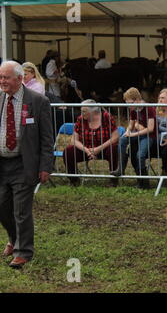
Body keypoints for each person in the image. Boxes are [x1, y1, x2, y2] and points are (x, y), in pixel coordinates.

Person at [0, 61, 53, 269]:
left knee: (21, 210)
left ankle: (24, 252)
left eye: (6, 77)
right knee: (2, 207)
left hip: (25, 163)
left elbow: (47, 137)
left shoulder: (38, 101)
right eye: (1, 77)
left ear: (20, 79)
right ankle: (14, 240)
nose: (2, 81)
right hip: (2, 163)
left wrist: (45, 166)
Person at [63, 99, 119, 187]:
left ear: (93, 112)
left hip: (104, 149)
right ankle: (74, 180)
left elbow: (115, 137)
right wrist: (87, 150)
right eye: (81, 111)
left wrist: (98, 149)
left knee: (113, 149)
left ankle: (113, 180)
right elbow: (74, 140)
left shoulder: (106, 117)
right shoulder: (80, 119)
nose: (82, 114)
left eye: (84, 111)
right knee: (68, 151)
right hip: (86, 149)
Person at [111, 88, 156, 189]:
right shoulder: (133, 109)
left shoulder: (149, 109)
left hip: (149, 136)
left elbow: (150, 129)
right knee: (122, 140)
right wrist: (127, 132)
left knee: (140, 155)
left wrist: (133, 135)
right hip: (138, 134)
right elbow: (131, 125)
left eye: (130, 103)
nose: (128, 106)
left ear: (137, 100)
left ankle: (144, 183)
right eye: (127, 103)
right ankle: (121, 168)